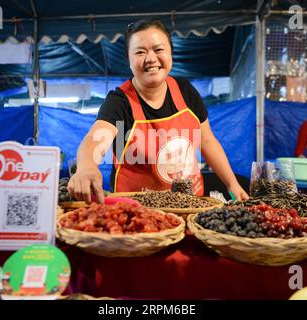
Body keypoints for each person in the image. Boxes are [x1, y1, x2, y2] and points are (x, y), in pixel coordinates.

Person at [68, 18, 248, 203]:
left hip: (190, 205)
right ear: (128, 60)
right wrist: (87, 166)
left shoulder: (186, 92)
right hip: (136, 211)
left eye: (159, 49)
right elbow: (95, 138)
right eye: (140, 52)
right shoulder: (119, 102)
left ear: (171, 53)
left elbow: (207, 140)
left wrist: (232, 184)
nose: (151, 58)